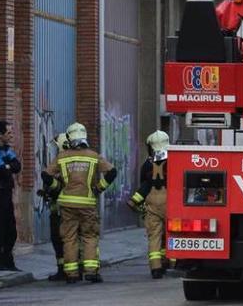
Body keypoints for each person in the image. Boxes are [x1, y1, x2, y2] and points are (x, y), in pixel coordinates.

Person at [42, 122, 116, 284]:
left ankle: (72, 274)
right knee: (89, 236)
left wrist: (58, 188)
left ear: (69, 138)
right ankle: (91, 272)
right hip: (88, 203)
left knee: (69, 238)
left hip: (67, 204)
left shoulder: (62, 157)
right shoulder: (93, 155)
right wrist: (98, 188)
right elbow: (112, 172)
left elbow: (46, 175)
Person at [128, 131, 170, 279]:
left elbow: (142, 183)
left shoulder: (147, 163)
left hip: (152, 201)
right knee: (173, 234)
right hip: (170, 200)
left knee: (154, 236)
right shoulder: (175, 160)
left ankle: (156, 268)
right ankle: (173, 263)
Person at [0, 120, 22, 271]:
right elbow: (0, 170)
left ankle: (8, 260)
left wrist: (8, 166)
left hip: (7, 193)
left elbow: (17, 166)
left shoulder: (7, 149)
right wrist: (7, 166)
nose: (11, 135)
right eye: (8, 133)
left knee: (11, 230)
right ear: (0, 134)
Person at [38, 133, 70, 281]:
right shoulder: (73, 163)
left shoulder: (62, 164)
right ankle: (70, 269)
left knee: (59, 240)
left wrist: (52, 187)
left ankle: (64, 270)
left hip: (61, 211)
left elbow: (60, 186)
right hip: (67, 210)